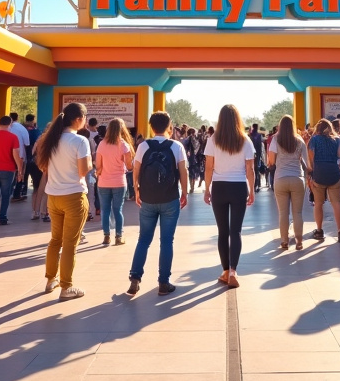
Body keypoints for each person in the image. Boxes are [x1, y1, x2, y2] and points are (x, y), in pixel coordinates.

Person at [128, 111, 190, 295]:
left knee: (144, 240)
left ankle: (135, 278)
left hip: (147, 199)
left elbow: (136, 169)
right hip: (170, 198)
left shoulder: (143, 146)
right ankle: (164, 283)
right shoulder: (176, 146)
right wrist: (184, 192)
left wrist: (136, 190)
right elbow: (183, 170)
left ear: (151, 126)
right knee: (166, 241)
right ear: (169, 126)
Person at [40, 102, 93, 300]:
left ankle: (50, 279)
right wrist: (90, 163)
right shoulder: (79, 141)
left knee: (55, 240)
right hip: (73, 196)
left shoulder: (51, 139)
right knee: (70, 243)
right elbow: (82, 170)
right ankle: (66, 286)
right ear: (79, 119)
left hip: (53, 196)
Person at [204, 104, 256, 287]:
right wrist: (251, 189)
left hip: (219, 187)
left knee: (222, 231)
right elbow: (250, 169)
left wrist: (206, 188)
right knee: (236, 231)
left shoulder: (213, 139)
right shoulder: (245, 140)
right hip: (238, 187)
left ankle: (225, 271)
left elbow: (209, 166)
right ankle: (233, 270)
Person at [267, 114, 308, 250]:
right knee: (297, 213)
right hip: (297, 178)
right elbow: (308, 163)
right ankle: (299, 241)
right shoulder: (299, 140)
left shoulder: (275, 140)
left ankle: (284, 240)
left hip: (280, 179)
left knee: (283, 213)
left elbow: (271, 161)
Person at [306, 119, 340, 243]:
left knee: (318, 203)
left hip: (318, 174)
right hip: (334, 173)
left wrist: (311, 175)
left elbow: (311, 158)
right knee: (337, 202)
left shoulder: (314, 140)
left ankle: (319, 231)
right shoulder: (337, 140)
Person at [95, 117, 134, 246]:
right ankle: (119, 236)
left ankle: (106, 236)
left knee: (105, 210)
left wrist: (100, 173)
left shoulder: (101, 144)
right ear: (122, 129)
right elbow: (129, 166)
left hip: (103, 182)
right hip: (119, 182)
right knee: (118, 210)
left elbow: (98, 166)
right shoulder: (124, 145)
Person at [9, 112, 31, 200]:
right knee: (20, 174)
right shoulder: (22, 129)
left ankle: (8, 193)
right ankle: (17, 194)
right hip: (20, 155)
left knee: (10, 175)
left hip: (8, 155)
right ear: (17, 118)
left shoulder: (7, 128)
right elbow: (27, 143)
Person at [250, 123, 265, 191]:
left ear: (253, 127)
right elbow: (261, 146)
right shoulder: (259, 136)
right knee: (256, 170)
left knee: (250, 169)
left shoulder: (250, 135)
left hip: (250, 155)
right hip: (257, 155)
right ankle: (257, 184)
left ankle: (252, 185)